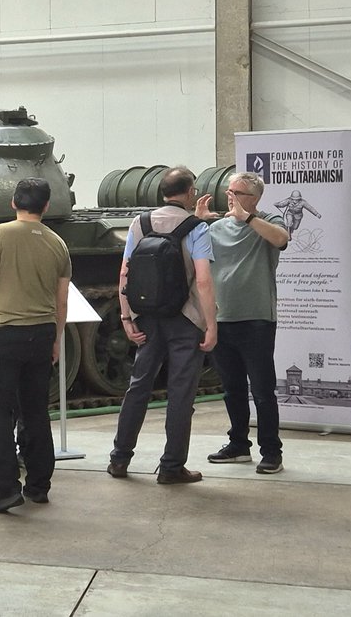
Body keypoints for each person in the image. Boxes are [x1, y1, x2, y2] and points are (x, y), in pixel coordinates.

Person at [109, 166, 217, 485]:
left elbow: (125, 273)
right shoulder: (196, 228)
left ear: (162, 192)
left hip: (147, 318)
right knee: (181, 392)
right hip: (185, 319)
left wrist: (126, 317)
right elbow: (203, 280)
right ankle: (171, 466)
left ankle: (119, 459)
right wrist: (211, 324)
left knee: (138, 386)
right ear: (190, 193)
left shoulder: (140, 223)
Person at [0, 179, 70, 513]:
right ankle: (39, 485)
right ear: (46, 206)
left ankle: (7, 487)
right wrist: (56, 340)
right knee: (36, 411)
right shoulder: (58, 243)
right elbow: (61, 301)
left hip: (5, 334)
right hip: (42, 334)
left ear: (13, 202)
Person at [201, 172, 290, 474]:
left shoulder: (268, 220)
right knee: (232, 389)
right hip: (222, 319)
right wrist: (196, 220)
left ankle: (272, 452)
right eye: (228, 191)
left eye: (237, 192)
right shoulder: (216, 227)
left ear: (254, 198)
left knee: (263, 391)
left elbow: (281, 239)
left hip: (256, 321)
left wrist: (247, 218)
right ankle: (238, 444)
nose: (230, 196)